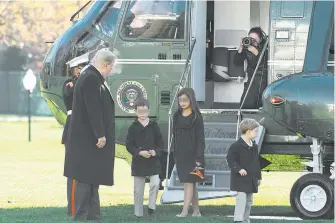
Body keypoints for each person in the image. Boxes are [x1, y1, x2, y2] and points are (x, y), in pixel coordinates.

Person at [64, 49, 117, 221]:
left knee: (93, 177)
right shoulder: (91, 79)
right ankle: (82, 215)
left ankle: (93, 215)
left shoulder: (90, 76)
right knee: (85, 179)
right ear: (106, 64)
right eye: (112, 67)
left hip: (87, 139)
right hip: (88, 140)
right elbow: (93, 109)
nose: (112, 71)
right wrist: (100, 135)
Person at [126, 98, 164, 218]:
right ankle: (138, 213)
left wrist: (155, 152)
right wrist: (139, 152)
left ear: (149, 111)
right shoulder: (133, 127)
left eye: (145, 111)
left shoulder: (154, 126)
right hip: (138, 162)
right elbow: (129, 145)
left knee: (155, 183)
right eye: (140, 111)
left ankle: (151, 206)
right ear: (135, 111)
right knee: (138, 190)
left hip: (153, 161)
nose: (143, 114)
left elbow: (160, 144)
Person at [172, 88, 205, 217]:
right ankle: (196, 211)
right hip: (181, 154)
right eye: (180, 100)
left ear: (191, 99)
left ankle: (185, 211)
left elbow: (200, 138)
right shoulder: (176, 116)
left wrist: (199, 156)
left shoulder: (197, 116)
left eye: (185, 100)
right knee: (192, 183)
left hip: (194, 155)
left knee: (189, 182)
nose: (182, 103)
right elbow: (175, 136)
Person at [61, 57, 88, 217]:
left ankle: (83, 205)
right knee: (73, 170)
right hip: (73, 128)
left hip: (83, 129)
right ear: (73, 70)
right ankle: (73, 207)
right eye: (80, 68)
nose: (82, 70)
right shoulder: (69, 85)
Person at [226, 119, 262, 223]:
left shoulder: (254, 146)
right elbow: (230, 159)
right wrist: (239, 169)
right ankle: (238, 220)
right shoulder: (236, 146)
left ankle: (246, 220)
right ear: (248, 131)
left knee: (249, 201)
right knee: (241, 199)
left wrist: (258, 177)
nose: (257, 133)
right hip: (240, 179)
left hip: (251, 179)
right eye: (255, 131)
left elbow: (256, 163)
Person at [234, 27, 268, 109]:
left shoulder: (266, 47)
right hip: (251, 78)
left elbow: (264, 61)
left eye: (254, 39)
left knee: (261, 103)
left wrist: (256, 52)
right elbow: (236, 62)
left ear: (260, 39)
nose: (252, 41)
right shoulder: (247, 48)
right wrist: (241, 47)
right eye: (250, 38)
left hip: (263, 79)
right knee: (246, 104)